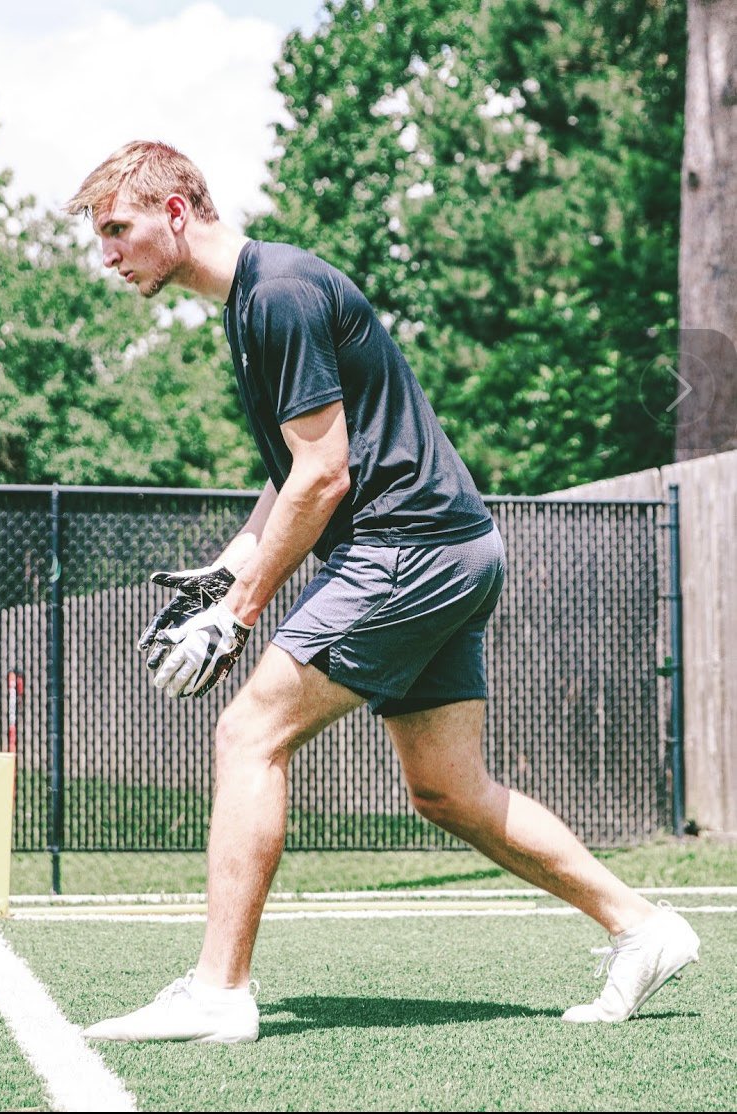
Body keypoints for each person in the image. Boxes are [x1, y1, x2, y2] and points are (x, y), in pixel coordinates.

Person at [65, 140, 700, 1043]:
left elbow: (325, 476)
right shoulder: (254, 304)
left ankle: (218, 993)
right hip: (450, 547)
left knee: (250, 731)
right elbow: (295, 472)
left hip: (407, 548)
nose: (109, 254)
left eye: (118, 229)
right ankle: (645, 927)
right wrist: (230, 568)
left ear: (176, 210)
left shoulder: (276, 293)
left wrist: (238, 619)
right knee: (446, 788)